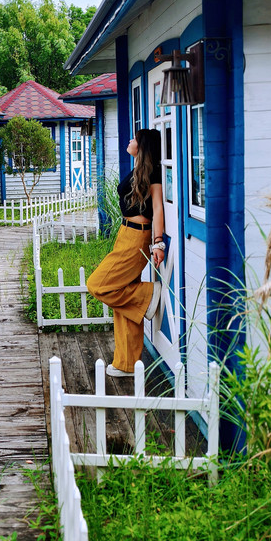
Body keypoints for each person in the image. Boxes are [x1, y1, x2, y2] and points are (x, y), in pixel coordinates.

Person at [87, 128, 165, 377]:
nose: (129, 140)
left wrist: (158, 242)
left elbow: (158, 208)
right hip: (126, 233)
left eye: (133, 138)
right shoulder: (139, 169)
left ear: (142, 145)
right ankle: (127, 364)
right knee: (122, 304)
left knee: (98, 284)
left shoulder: (153, 172)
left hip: (137, 237)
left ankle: (147, 294)